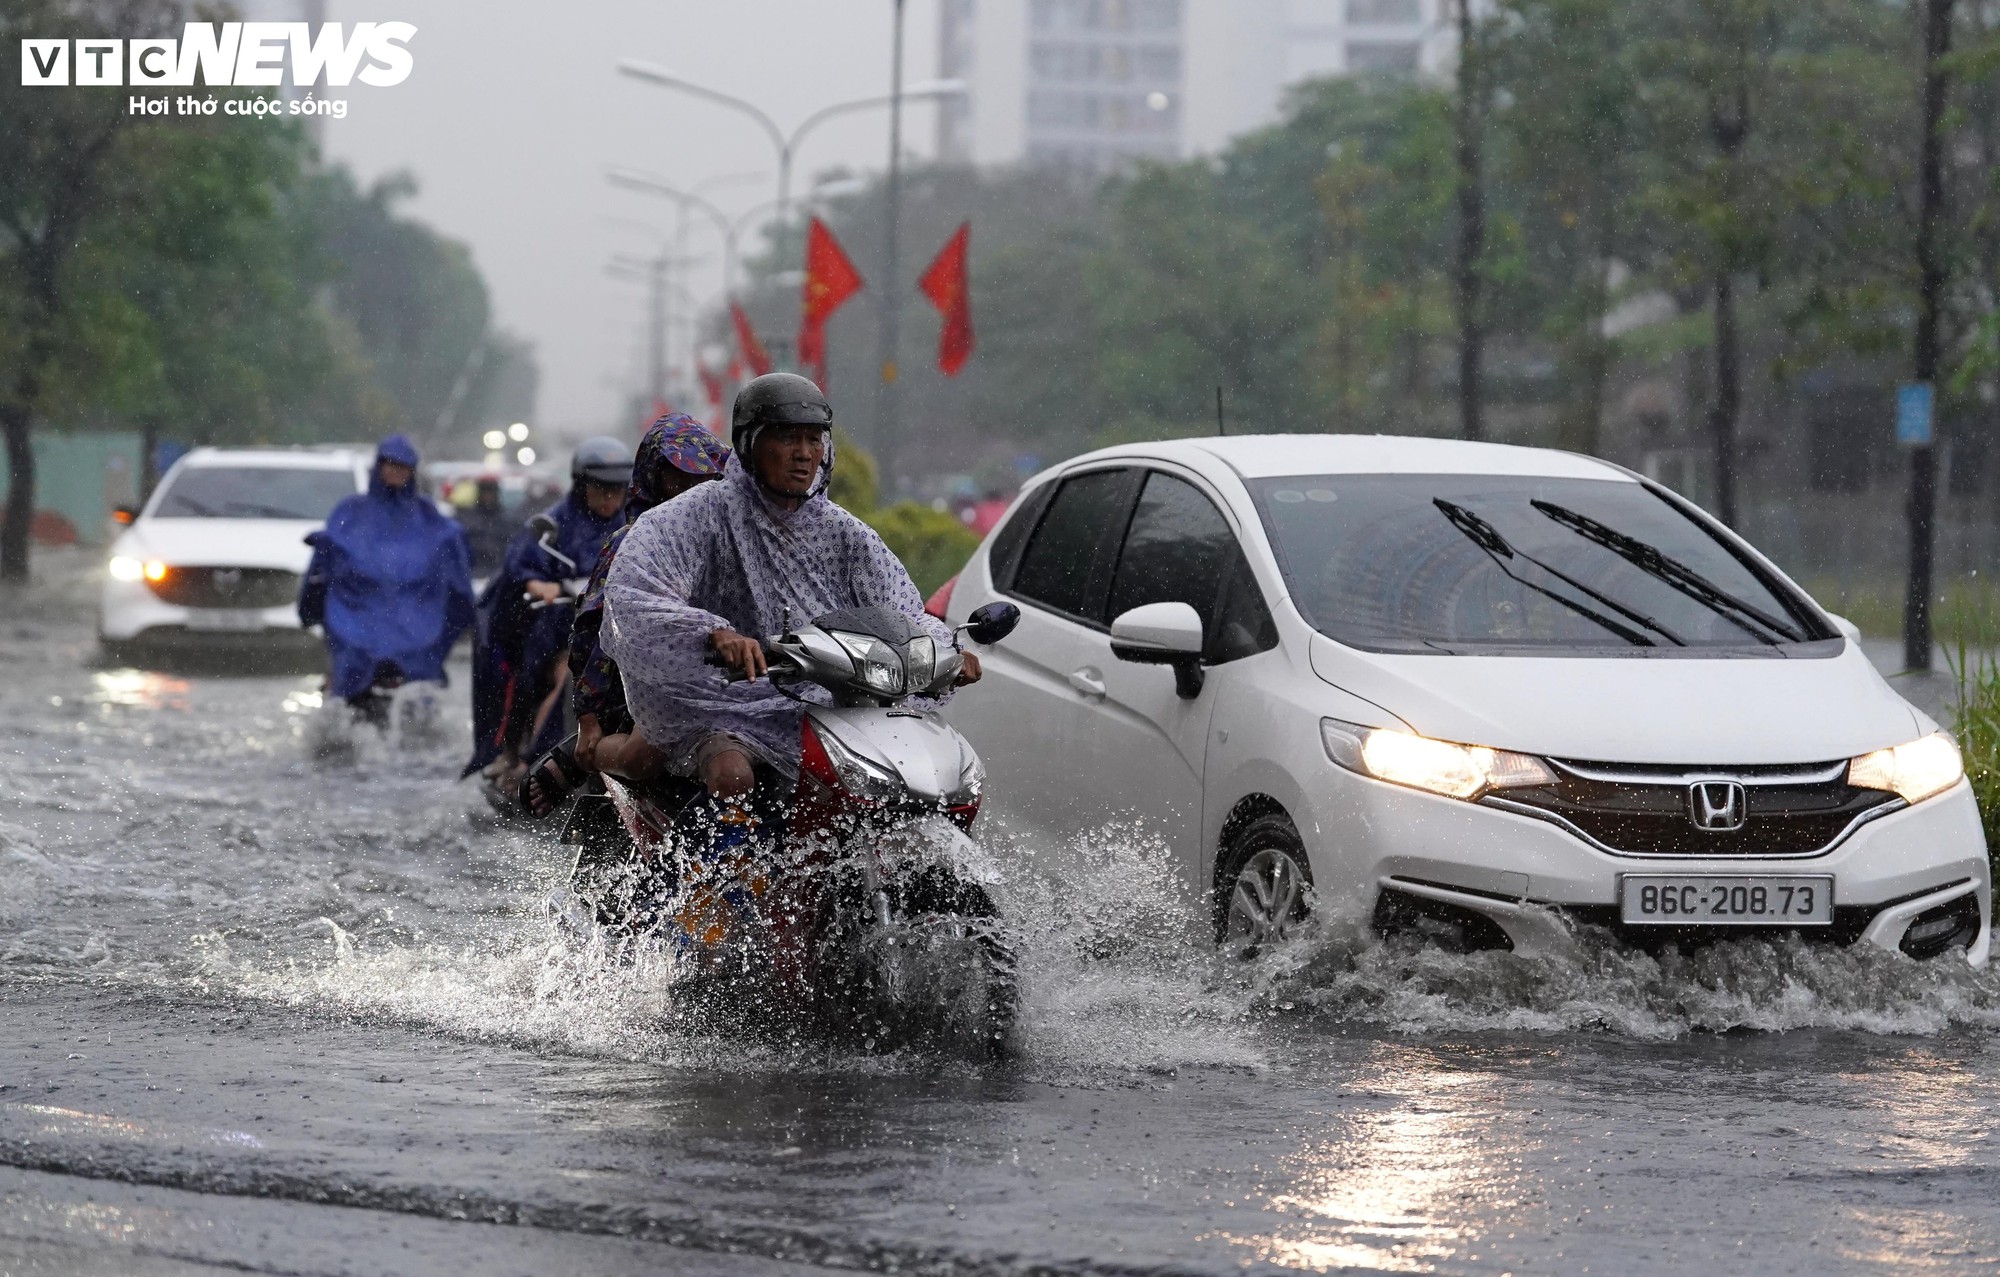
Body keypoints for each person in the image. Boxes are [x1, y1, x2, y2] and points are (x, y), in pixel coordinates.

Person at [600, 373, 981, 805]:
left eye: (813, 440)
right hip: (723, 703)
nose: (803, 454)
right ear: (749, 445)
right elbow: (637, 595)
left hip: (829, 703)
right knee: (731, 773)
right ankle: (716, 871)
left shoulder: (845, 534)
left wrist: (942, 649)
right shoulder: (697, 516)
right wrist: (712, 634)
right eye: (787, 439)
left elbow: (901, 608)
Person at [519, 413, 730, 814]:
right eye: (677, 479)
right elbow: (594, 631)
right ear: (653, 479)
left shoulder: (740, 539)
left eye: (701, 479)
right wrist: (589, 719)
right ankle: (575, 758)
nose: (689, 491)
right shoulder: (631, 542)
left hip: (738, 682)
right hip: (645, 691)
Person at [463, 436, 633, 787]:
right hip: (563, 627)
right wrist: (540, 584)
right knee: (548, 674)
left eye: (617, 489)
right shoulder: (552, 525)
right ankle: (523, 756)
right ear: (581, 484)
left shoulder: (637, 525)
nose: (609, 498)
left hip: (618, 630)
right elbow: (522, 566)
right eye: (601, 488)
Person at [299, 434, 474, 722]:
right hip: (358, 612)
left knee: (420, 665)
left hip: (414, 612)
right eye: (389, 464)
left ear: (412, 471)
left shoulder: (426, 514)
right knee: (351, 661)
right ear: (378, 466)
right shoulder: (351, 510)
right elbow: (330, 555)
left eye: (402, 466)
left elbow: (446, 546)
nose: (394, 471)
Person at [455, 476, 515, 578]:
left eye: (490, 492)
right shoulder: (467, 517)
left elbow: (510, 545)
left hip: (497, 571)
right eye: (485, 492)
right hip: (474, 570)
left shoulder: (506, 518)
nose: (487, 496)